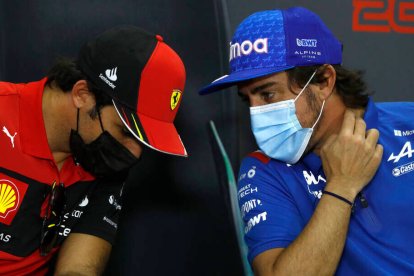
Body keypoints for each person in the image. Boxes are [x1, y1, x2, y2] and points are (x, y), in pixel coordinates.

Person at [199, 6, 414, 275]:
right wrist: (341, 187)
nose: (255, 113)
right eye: (247, 100)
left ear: (324, 81)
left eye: (267, 95)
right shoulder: (263, 171)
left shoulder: (409, 123)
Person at [0, 26, 187, 275]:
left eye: (143, 142)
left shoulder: (103, 163)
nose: (134, 153)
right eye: (125, 132)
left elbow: (78, 269)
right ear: (82, 94)